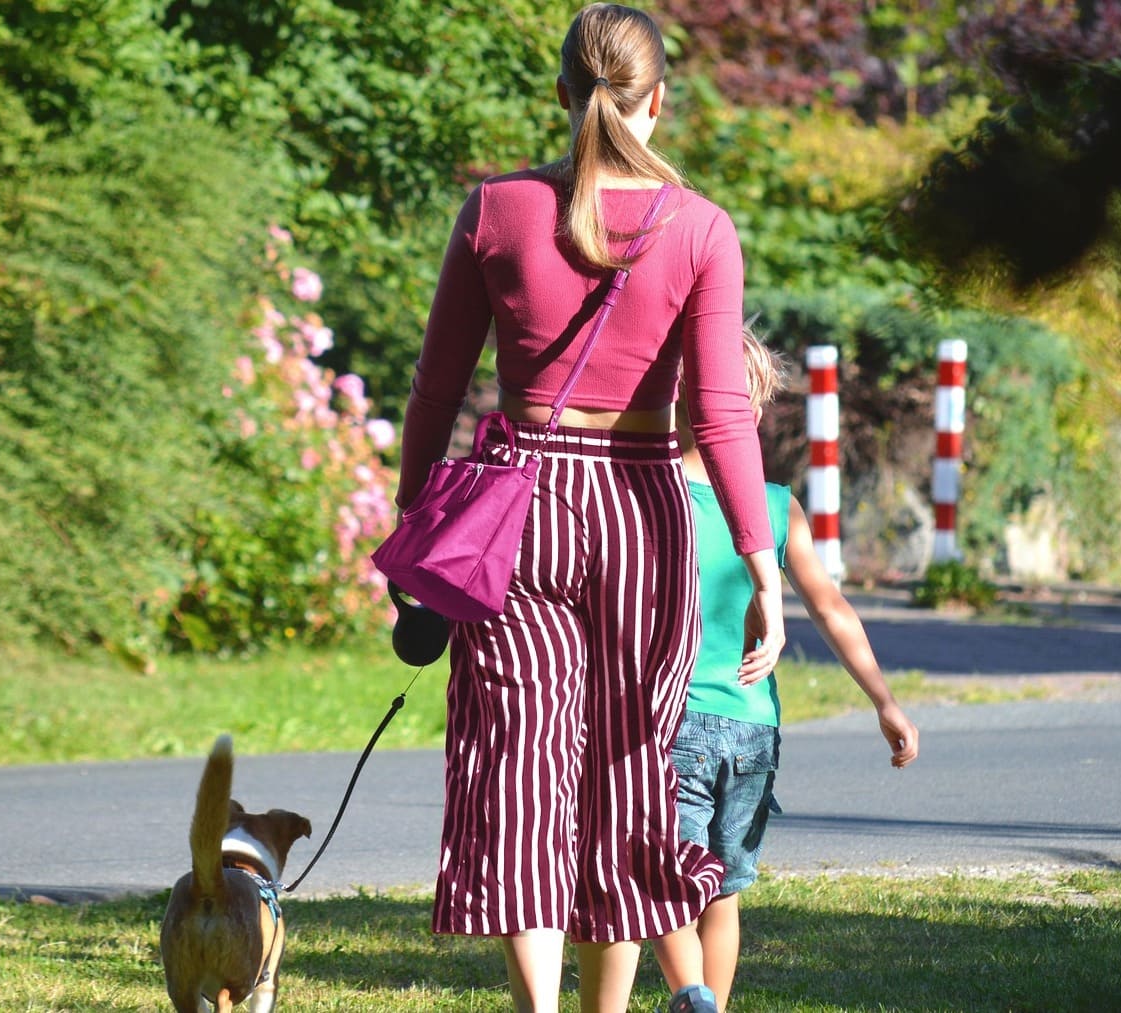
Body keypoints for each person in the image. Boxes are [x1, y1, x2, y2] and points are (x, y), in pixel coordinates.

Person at [391, 5, 785, 1012]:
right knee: (625, 767)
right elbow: (723, 410)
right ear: (658, 100)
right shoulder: (699, 228)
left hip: (516, 511)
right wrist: (762, 560)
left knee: (519, 768)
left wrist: (413, 542)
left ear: (564, 93)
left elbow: (434, 394)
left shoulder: (497, 210)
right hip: (642, 511)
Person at [651, 329, 920, 1008]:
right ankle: (711, 1001)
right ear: (757, 412)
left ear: (672, 399)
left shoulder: (645, 496)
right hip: (752, 725)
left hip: (671, 719)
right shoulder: (776, 506)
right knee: (722, 883)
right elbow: (831, 608)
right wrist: (884, 701)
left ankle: (689, 993)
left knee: (665, 876)